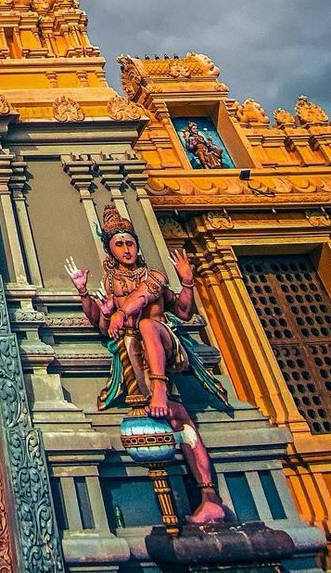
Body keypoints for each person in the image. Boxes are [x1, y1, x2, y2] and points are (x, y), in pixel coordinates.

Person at [66, 205, 228, 524]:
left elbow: (177, 311)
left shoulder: (153, 275)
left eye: (130, 243)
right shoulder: (111, 285)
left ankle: (159, 391)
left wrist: (188, 283)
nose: (127, 249)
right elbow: (101, 325)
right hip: (133, 360)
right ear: (110, 250)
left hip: (162, 347)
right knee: (178, 419)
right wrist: (85, 294)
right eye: (120, 244)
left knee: (147, 326)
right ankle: (208, 497)